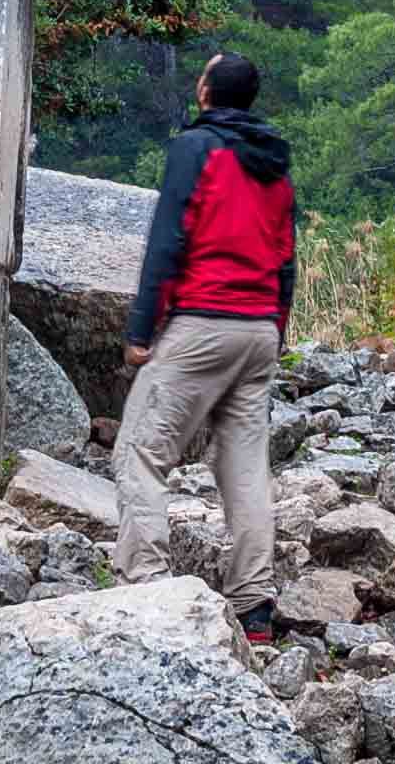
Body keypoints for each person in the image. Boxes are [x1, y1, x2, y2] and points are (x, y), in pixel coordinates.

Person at [112, 49, 296, 645]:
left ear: (207, 92)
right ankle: (255, 607)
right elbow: (287, 260)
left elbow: (168, 240)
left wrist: (141, 332)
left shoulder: (195, 149)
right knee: (244, 468)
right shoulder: (275, 162)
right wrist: (277, 331)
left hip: (204, 323)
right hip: (259, 332)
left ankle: (148, 585)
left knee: (140, 451)